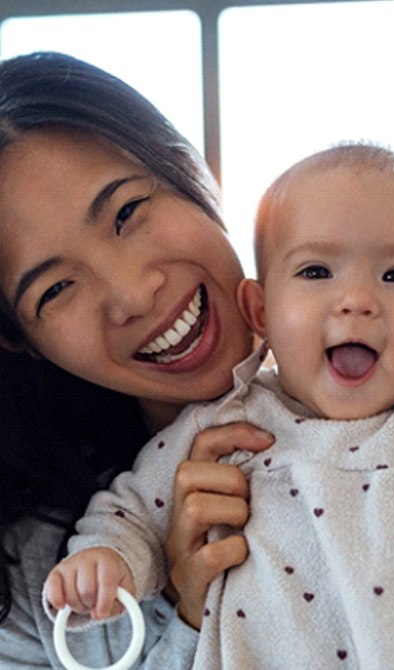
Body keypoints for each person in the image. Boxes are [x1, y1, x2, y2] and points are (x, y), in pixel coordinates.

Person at [45, 143, 394, 669]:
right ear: (260, 309)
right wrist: (105, 560)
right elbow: (132, 512)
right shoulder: (225, 426)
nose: (356, 299)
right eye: (316, 272)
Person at [0, 51, 277, 669]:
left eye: (127, 212)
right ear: (19, 340)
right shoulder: (33, 591)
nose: (132, 293)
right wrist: (182, 613)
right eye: (55, 290)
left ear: (183, 169)